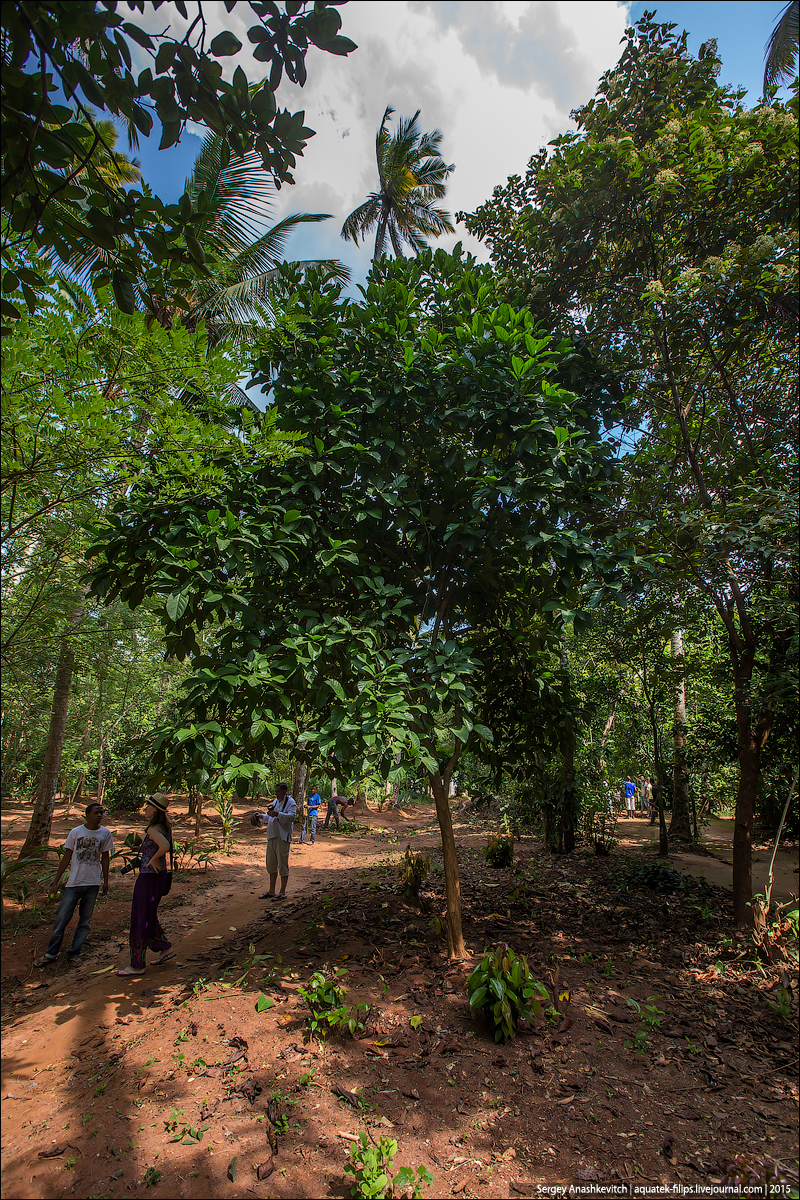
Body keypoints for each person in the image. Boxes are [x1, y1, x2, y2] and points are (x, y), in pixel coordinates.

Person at [34, 803, 114, 967]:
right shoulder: (76, 832)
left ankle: (74, 953)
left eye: (102, 812)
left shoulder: (105, 833)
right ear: (87, 815)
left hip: (92, 883)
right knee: (62, 918)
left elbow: (105, 858)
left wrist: (105, 880)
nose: (100, 815)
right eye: (97, 812)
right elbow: (66, 857)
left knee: (85, 921)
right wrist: (56, 881)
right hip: (74, 883)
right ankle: (51, 953)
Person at [117, 793, 175, 977]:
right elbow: (162, 845)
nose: (145, 809)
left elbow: (165, 846)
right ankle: (164, 947)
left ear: (155, 810)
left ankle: (137, 964)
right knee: (149, 914)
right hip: (159, 877)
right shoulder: (163, 826)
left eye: (148, 806)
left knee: (139, 917)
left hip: (149, 877)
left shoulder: (152, 829)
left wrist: (153, 859)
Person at [258, 782, 296, 899]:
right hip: (272, 836)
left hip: (282, 837)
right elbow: (270, 817)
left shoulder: (290, 802)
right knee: (271, 864)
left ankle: (282, 892)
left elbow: (292, 817)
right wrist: (261, 817)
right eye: (275, 791)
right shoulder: (275, 802)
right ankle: (271, 891)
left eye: (278, 791)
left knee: (282, 864)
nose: (276, 793)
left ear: (284, 792)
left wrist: (278, 814)